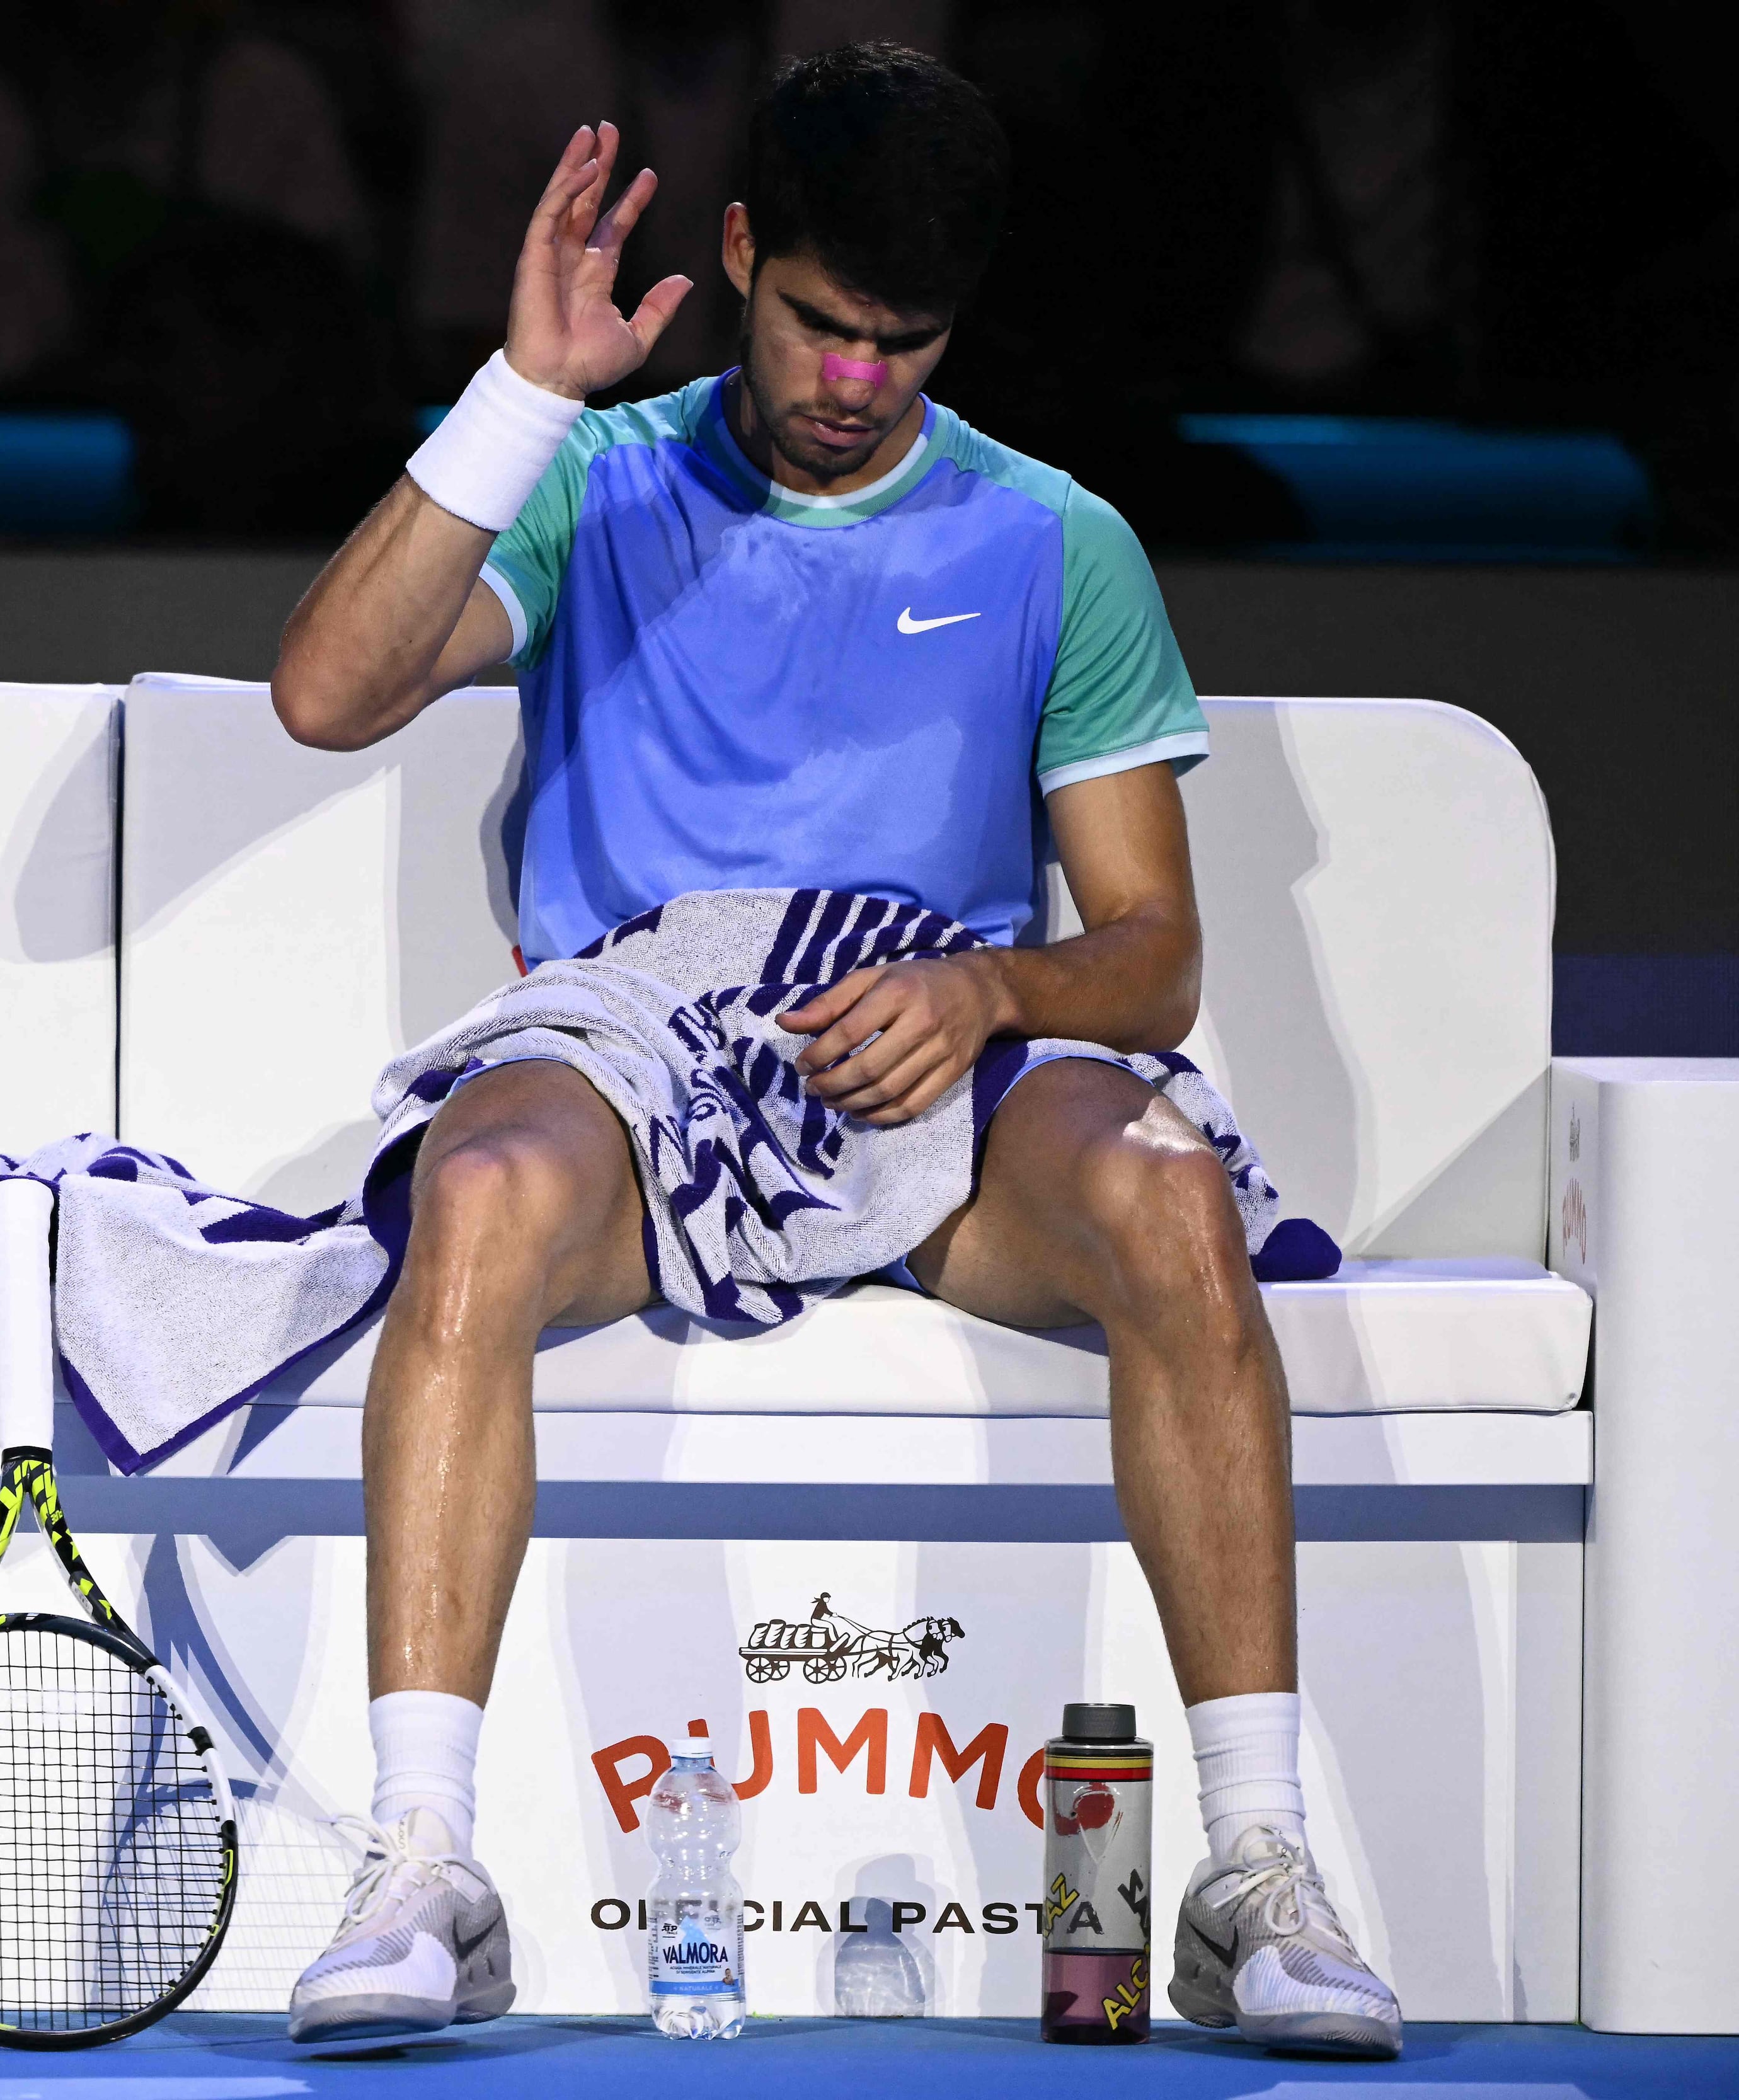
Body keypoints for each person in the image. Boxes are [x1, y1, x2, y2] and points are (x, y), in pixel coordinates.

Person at [267, 42, 1401, 2059]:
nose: (856, 381)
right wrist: (527, 391)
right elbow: (327, 693)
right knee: (482, 1177)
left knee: (1170, 1190)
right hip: (641, 1062)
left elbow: (1148, 956)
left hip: (941, 1084)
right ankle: (426, 1864)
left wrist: (989, 991)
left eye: (904, 342)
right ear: (737, 257)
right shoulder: (592, 490)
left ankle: (1253, 1874)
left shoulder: (1059, 543)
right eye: (816, 324)